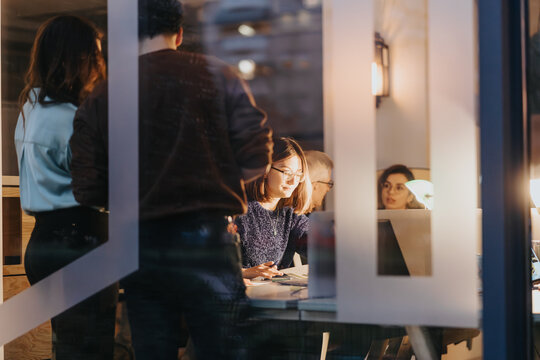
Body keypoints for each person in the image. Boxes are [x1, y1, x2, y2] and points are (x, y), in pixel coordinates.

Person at [69, 0, 273, 358]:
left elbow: (87, 188)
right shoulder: (218, 76)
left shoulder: (101, 97)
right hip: (208, 237)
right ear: (179, 34)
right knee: (223, 349)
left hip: (140, 241)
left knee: (152, 351)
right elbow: (258, 155)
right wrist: (216, 183)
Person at [14, 15, 118, 360]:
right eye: (97, 54)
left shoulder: (31, 107)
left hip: (44, 244)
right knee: (91, 350)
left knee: (70, 347)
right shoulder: (75, 118)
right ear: (80, 59)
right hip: (80, 242)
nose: (101, 64)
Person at [236, 137, 311, 279]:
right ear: (265, 169)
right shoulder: (238, 209)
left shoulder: (289, 213)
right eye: (287, 172)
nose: (294, 181)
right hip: (236, 296)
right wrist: (242, 273)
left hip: (270, 296)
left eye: (298, 174)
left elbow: (316, 244)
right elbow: (204, 264)